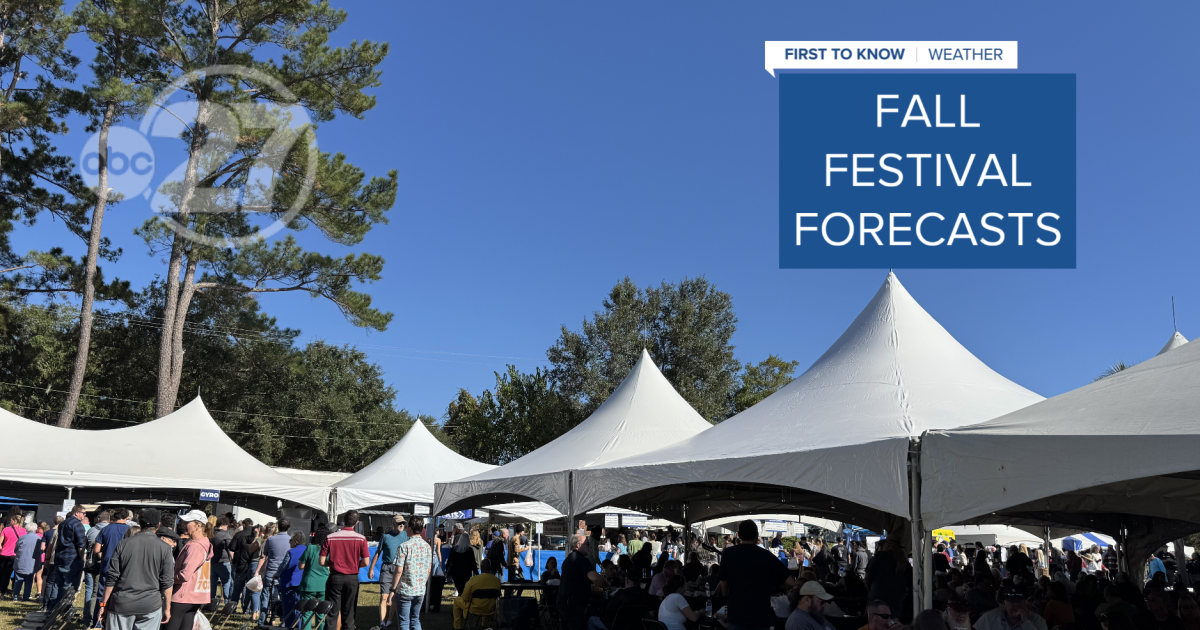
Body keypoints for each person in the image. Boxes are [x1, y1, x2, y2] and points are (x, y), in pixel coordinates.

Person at [98, 508, 174, 630]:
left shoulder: (123, 544)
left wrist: (103, 604)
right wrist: (167, 608)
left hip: (122, 604)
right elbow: (167, 582)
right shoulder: (165, 548)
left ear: (140, 523)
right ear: (158, 525)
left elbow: (112, 577)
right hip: (150, 605)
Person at [717, 520, 796, 630]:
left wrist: (727, 598)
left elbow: (724, 585)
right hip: (761, 616)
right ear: (757, 535)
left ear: (739, 535)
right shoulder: (766, 555)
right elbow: (791, 582)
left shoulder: (728, 553)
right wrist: (773, 585)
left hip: (736, 614)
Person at [160, 510, 212, 630]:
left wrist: (166, 579)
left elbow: (185, 575)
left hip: (183, 596)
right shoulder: (204, 543)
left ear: (198, 525)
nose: (183, 524)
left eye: (187, 522)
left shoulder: (196, 546)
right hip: (195, 596)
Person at [321, 510, 370, 630]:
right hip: (352, 578)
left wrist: (332, 563)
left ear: (343, 520)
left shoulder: (330, 537)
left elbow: (321, 561)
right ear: (357, 523)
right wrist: (353, 565)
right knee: (349, 614)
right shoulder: (361, 539)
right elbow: (366, 562)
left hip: (335, 577)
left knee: (331, 614)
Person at [558, 534, 608, 630]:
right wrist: (607, 585)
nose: (589, 547)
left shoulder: (568, 559)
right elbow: (595, 578)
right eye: (587, 544)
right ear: (578, 545)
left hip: (565, 602)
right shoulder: (581, 559)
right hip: (573, 605)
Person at [391, 516, 433, 630]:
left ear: (410, 528)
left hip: (405, 590)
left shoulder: (404, 546)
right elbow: (429, 569)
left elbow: (399, 570)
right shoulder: (427, 547)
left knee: (404, 622)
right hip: (420, 590)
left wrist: (393, 589)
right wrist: (422, 583)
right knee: (415, 619)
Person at [370, 515, 410, 628]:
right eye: (399, 523)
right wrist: (371, 568)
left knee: (395, 597)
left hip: (400, 568)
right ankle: (382, 622)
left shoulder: (406, 535)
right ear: (393, 524)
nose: (401, 525)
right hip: (387, 568)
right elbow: (378, 553)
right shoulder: (385, 536)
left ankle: (389, 620)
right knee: (384, 596)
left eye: (403, 523)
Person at [50, 503, 88, 608]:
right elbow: (81, 544)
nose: (84, 515)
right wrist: (82, 558)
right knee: (70, 585)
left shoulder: (63, 523)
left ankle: (54, 606)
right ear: (77, 513)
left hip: (60, 556)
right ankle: (66, 607)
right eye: (83, 513)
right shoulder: (77, 524)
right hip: (72, 558)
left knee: (58, 584)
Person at [865, 539, 910, 623]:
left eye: (882, 545)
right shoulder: (904, 562)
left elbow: (868, 577)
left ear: (889, 545)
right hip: (896, 601)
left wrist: (870, 590)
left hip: (877, 599)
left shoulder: (879, 556)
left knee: (874, 624)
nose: (880, 547)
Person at [453, 558, 502, 629]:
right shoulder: (497, 581)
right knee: (487, 601)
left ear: (481, 568)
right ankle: (485, 625)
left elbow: (465, 598)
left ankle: (458, 627)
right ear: (490, 568)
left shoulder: (473, 580)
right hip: (490, 609)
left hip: (474, 608)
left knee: (457, 600)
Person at [297, 526, 330, 630]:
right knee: (321, 613)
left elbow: (301, 566)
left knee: (307, 613)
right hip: (323, 584)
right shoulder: (329, 549)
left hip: (309, 584)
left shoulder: (310, 548)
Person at [975, 586, 1048, 630]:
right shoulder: (989, 618)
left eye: (1019, 601)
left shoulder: (1037, 620)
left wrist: (1026, 622)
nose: (1016, 604)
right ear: (1004, 603)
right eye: (1012, 601)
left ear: (1025, 602)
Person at [276, 532, 307, 628]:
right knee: (300, 607)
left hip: (289, 582)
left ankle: (290, 626)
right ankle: (299, 626)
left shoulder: (291, 552)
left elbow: (283, 566)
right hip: (303, 582)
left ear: (296, 541)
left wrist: (277, 574)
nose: (289, 542)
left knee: (288, 608)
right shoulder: (307, 550)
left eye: (291, 540)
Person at [0, 510, 27, 597]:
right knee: (15, 574)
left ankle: (2, 590)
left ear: (15, 521)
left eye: (11, 520)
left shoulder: (6, 529)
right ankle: (13, 591)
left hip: (4, 554)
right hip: (16, 555)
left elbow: (0, 543)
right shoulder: (24, 531)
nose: (10, 521)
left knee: (3, 573)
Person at [447, 523, 478, 596]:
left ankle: (460, 598)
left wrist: (448, 572)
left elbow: (450, 560)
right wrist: (476, 572)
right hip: (466, 573)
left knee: (459, 589)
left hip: (455, 573)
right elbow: (473, 562)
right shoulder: (469, 550)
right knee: (464, 589)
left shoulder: (455, 549)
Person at [12, 526, 42, 602]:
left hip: (21, 561)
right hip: (32, 562)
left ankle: (15, 596)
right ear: (35, 529)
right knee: (29, 580)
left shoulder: (22, 538)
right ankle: (26, 597)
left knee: (18, 579)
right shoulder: (39, 539)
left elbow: (16, 549)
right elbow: (41, 551)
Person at [210, 516, 233, 602]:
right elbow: (230, 547)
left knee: (213, 582)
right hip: (223, 561)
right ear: (223, 525)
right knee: (226, 581)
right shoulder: (225, 534)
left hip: (212, 561)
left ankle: (212, 601)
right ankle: (226, 601)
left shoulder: (212, 534)